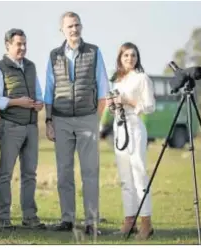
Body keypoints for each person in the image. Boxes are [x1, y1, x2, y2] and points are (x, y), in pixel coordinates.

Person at [44, 11, 109, 235]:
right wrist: (49, 120)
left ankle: (92, 222)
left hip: (87, 119)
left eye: (77, 25)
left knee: (90, 172)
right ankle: (67, 219)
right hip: (61, 120)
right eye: (70, 26)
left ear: (81, 27)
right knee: (64, 172)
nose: (74, 29)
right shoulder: (53, 55)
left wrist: (94, 119)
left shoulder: (94, 52)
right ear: (62, 29)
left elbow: (103, 90)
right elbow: (48, 91)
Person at [0, 28, 46, 229]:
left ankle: (30, 217)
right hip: (10, 126)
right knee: (6, 173)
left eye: (24, 43)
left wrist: (39, 103)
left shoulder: (31, 66)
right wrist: (16, 102)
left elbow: (38, 91)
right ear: (8, 45)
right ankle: (2, 217)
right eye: (18, 44)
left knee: (30, 174)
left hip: (31, 127)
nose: (22, 47)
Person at [106, 42, 155, 240]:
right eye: (126, 55)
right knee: (125, 178)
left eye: (133, 55)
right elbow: (115, 106)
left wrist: (127, 101)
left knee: (139, 174)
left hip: (135, 128)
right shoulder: (117, 80)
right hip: (119, 129)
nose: (129, 58)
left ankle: (146, 223)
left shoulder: (142, 78)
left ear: (137, 58)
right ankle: (129, 221)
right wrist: (112, 104)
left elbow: (150, 106)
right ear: (120, 58)